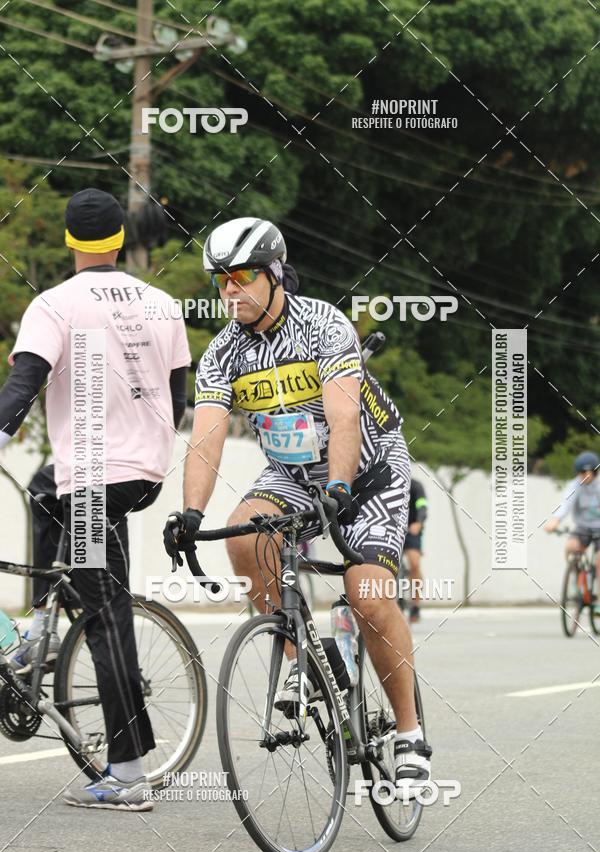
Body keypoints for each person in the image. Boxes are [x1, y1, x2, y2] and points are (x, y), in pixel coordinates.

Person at [163, 216, 432, 794]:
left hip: (367, 471)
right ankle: (301, 658)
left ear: (275, 273)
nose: (229, 291)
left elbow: (344, 418)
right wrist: (189, 513)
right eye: (220, 281)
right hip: (291, 473)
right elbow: (205, 439)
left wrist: (338, 489)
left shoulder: (323, 325)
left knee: (367, 595)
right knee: (243, 533)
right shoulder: (223, 353)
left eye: (240, 277)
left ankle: (409, 732)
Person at [0, 188, 190, 810]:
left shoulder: (53, 305)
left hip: (92, 483)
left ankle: (129, 771)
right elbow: (178, 397)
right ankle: (43, 625)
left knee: (107, 617)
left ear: (69, 240)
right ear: (119, 238)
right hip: (141, 472)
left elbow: (21, 389)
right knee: (42, 490)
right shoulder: (163, 304)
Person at [544, 450, 600, 604]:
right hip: (583, 527)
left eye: (587, 472)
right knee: (570, 547)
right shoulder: (575, 485)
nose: (584, 475)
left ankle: (599, 602)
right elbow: (566, 504)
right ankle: (579, 580)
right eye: (581, 472)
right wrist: (556, 521)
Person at [404, 479, 428, 623]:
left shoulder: (416, 486)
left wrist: (419, 522)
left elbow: (422, 506)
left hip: (412, 530)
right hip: (391, 529)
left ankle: (415, 605)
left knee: (414, 564)